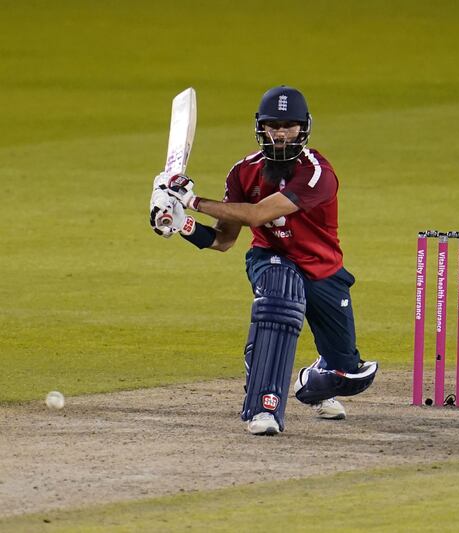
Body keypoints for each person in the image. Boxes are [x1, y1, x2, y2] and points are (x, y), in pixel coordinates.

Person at [148, 85, 378, 435]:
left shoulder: (317, 173)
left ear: (304, 128)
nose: (281, 133)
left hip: (322, 271)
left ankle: (310, 382)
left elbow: (257, 214)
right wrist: (180, 223)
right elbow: (224, 241)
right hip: (271, 258)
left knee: (348, 374)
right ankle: (263, 406)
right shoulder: (242, 172)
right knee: (279, 291)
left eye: (289, 126)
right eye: (273, 125)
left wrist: (192, 201)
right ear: (261, 127)